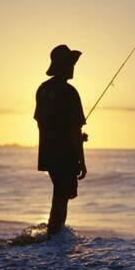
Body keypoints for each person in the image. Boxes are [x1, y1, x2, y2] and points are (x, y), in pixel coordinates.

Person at [34, 44, 87, 237]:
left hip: (47, 153)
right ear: (64, 66)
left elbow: (41, 123)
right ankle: (54, 237)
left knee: (59, 194)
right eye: (71, 64)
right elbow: (74, 129)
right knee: (62, 196)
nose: (73, 68)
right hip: (65, 155)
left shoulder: (42, 89)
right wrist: (82, 160)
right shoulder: (70, 92)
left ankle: (53, 236)